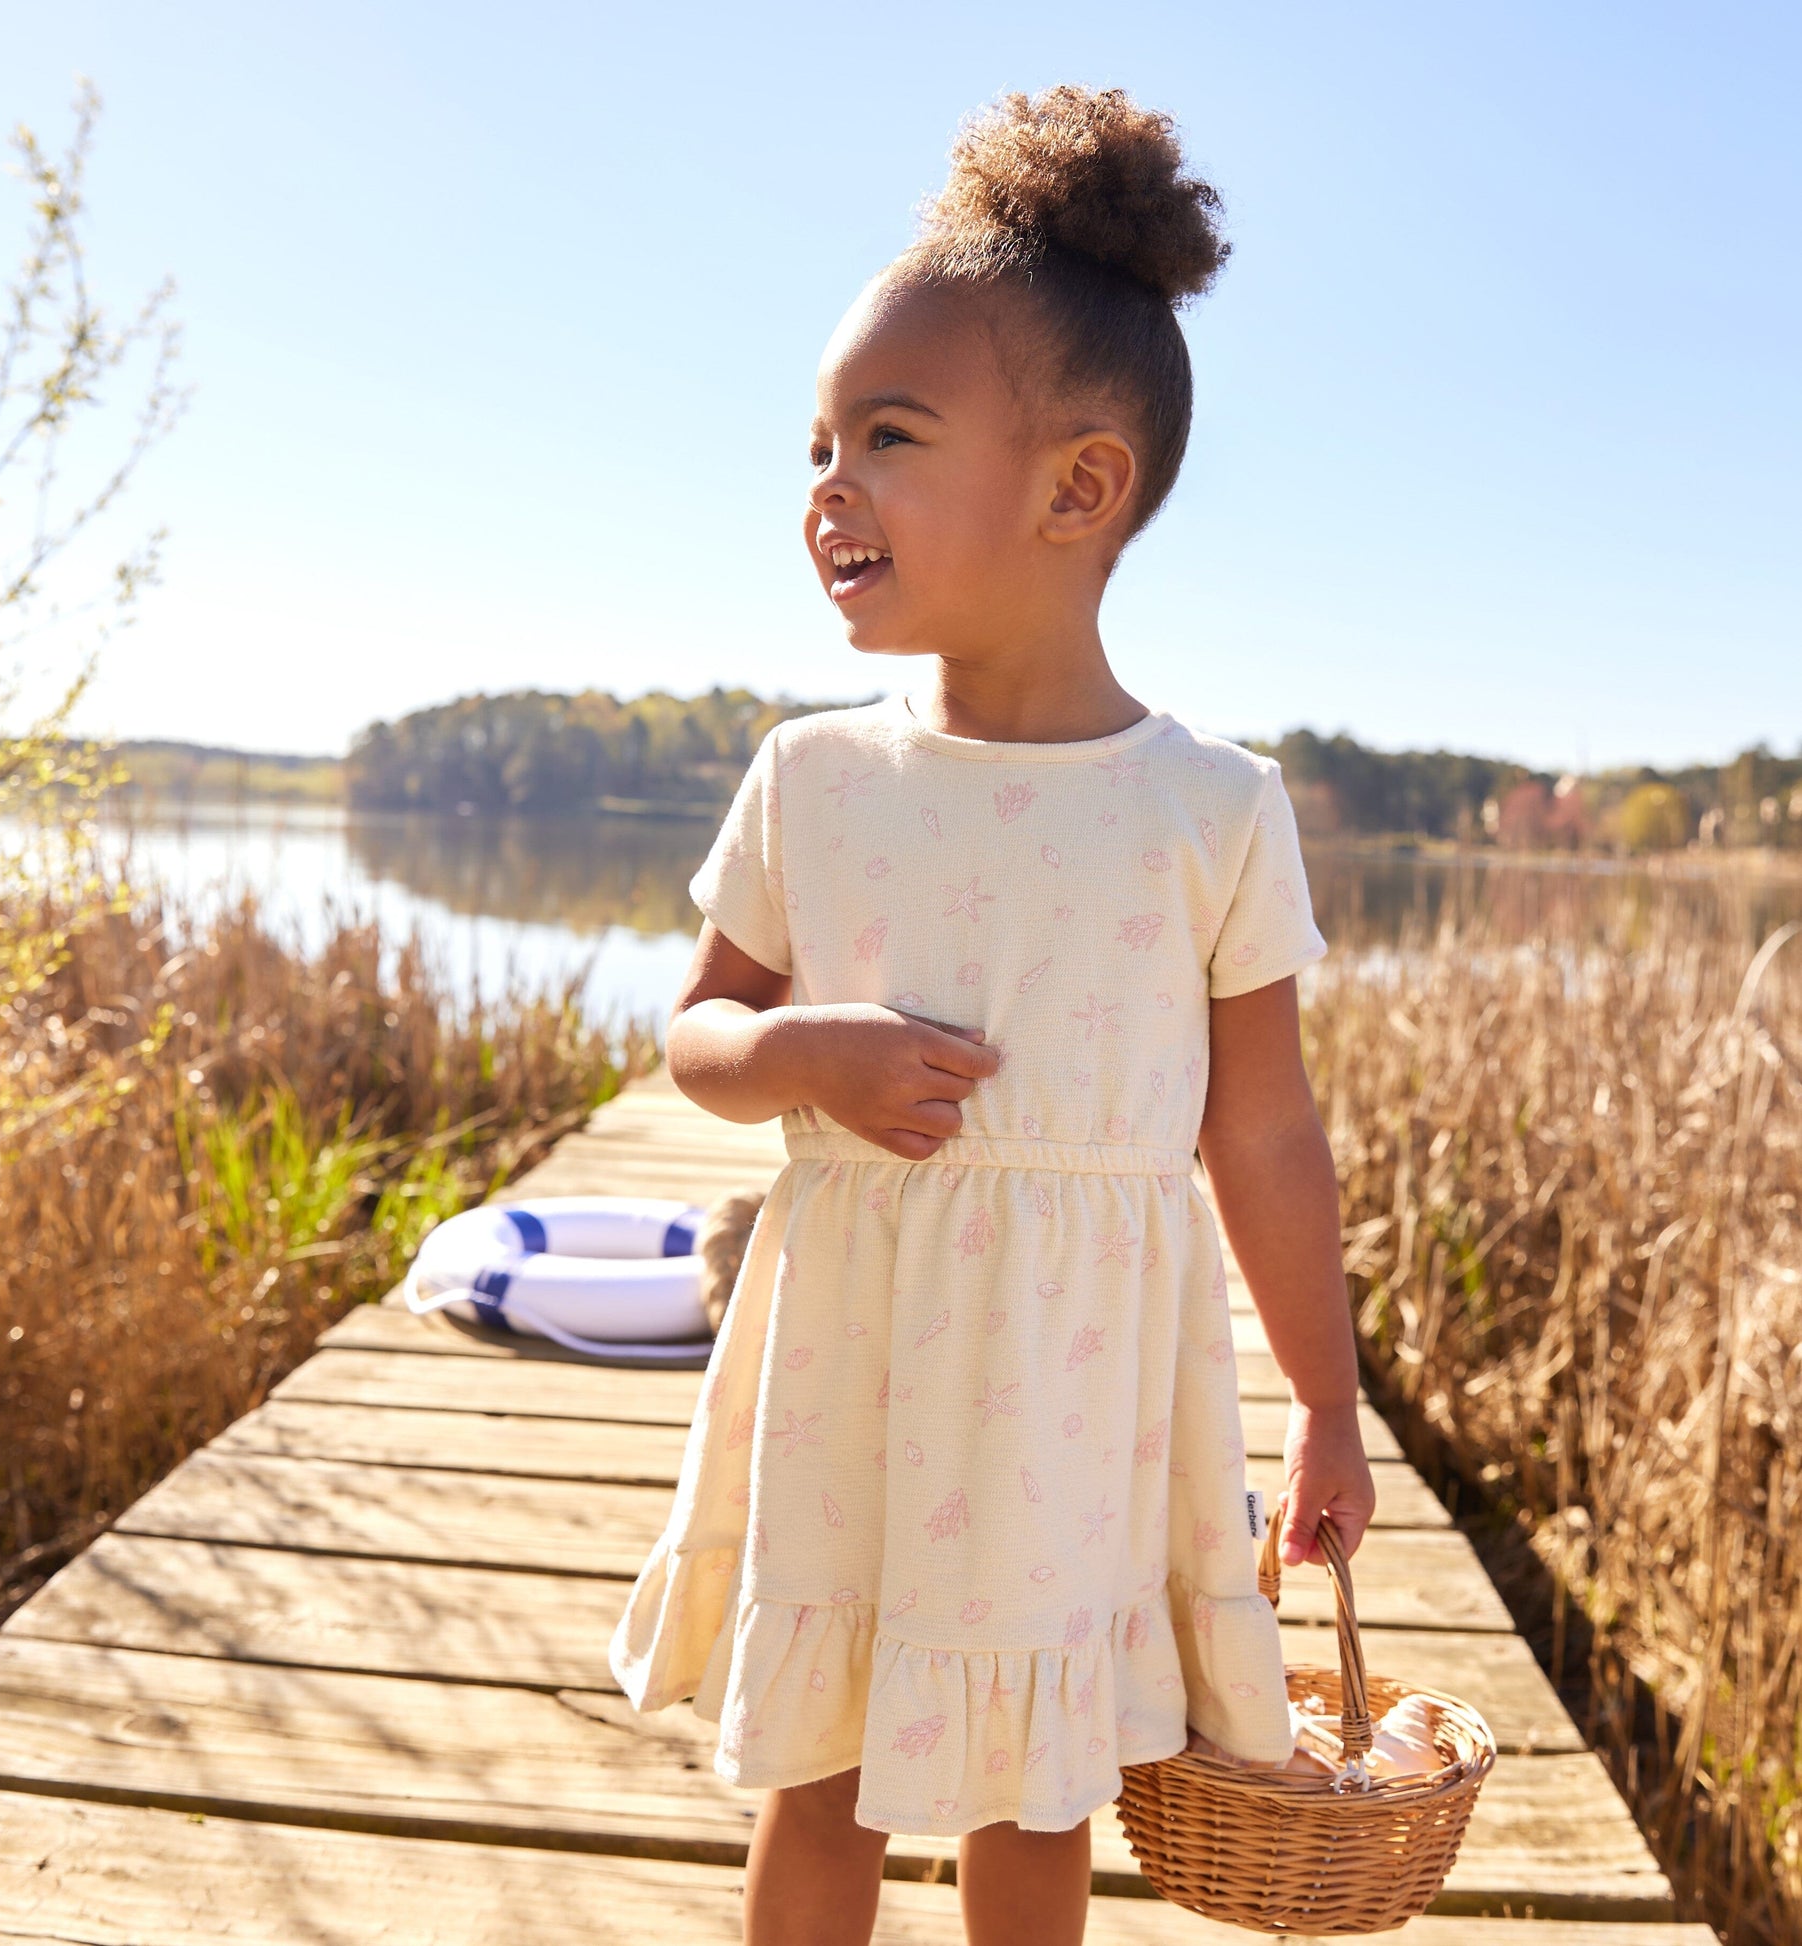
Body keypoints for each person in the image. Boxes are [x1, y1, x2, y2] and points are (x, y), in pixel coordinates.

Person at [611, 85, 1375, 1946]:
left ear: (1075, 487)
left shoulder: (1210, 806)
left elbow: (1260, 1128)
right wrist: (799, 1056)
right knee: (817, 1771)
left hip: (1069, 1389)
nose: (826, 486)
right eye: (816, 442)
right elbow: (695, 1037)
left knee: (1036, 1792)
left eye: (886, 435)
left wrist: (1329, 1409)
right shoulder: (812, 778)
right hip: (853, 1370)